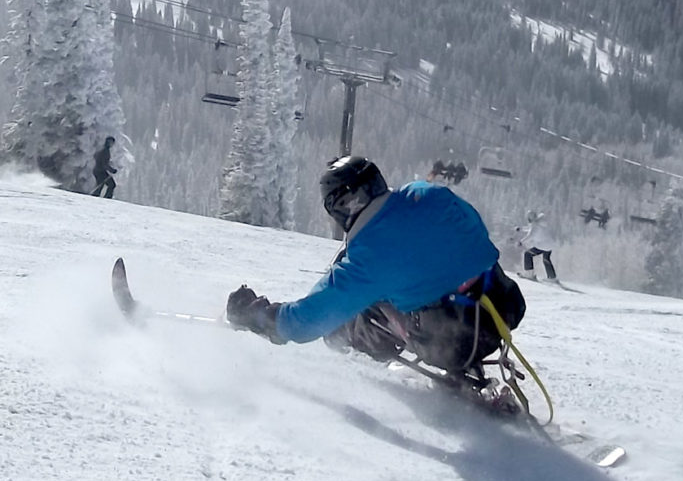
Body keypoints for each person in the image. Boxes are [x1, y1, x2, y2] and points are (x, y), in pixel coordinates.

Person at [224, 155, 525, 382]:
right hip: (503, 305)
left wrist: (262, 317)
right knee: (406, 286)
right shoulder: (427, 193)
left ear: (342, 206)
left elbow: (307, 321)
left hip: (454, 343)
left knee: (353, 312)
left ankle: (351, 359)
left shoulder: (367, 260)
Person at [513, 209, 558, 282]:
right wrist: (521, 229)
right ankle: (552, 277)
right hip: (549, 245)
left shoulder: (535, 225)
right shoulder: (540, 223)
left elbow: (531, 235)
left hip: (543, 246)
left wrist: (521, 242)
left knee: (528, 254)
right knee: (546, 259)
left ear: (529, 218)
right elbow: (531, 229)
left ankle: (529, 274)